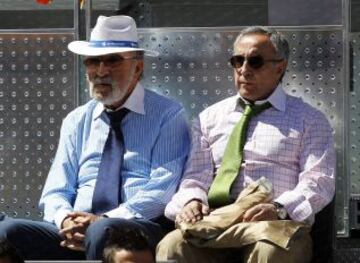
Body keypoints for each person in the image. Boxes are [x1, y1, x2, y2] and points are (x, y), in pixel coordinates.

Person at [0, 15, 190, 260]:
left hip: (137, 227)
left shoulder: (168, 114)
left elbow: (162, 190)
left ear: (138, 67)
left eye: (113, 61)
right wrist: (67, 220)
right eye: (93, 61)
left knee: (101, 230)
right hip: (76, 230)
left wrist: (104, 220)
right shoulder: (77, 120)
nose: (101, 71)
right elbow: (55, 191)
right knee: (6, 232)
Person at [156, 26, 335, 263]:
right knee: (172, 247)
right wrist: (192, 201)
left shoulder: (309, 120)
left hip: (275, 225)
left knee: (269, 252)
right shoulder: (209, 118)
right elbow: (195, 177)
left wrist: (279, 208)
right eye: (238, 61)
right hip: (218, 222)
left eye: (255, 62)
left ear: (280, 67)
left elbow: (319, 180)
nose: (244, 70)